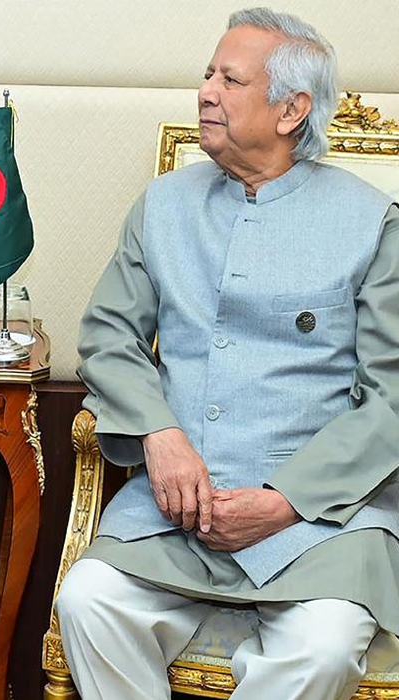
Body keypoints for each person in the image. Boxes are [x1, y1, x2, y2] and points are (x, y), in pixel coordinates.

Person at [56, 7, 399, 700]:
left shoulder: (372, 222)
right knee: (88, 603)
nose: (206, 91)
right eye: (208, 74)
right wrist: (159, 435)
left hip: (321, 522)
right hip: (174, 512)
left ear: (291, 111)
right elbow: (109, 337)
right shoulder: (162, 206)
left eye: (230, 80)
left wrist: (288, 500)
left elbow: (391, 397)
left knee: (325, 648)